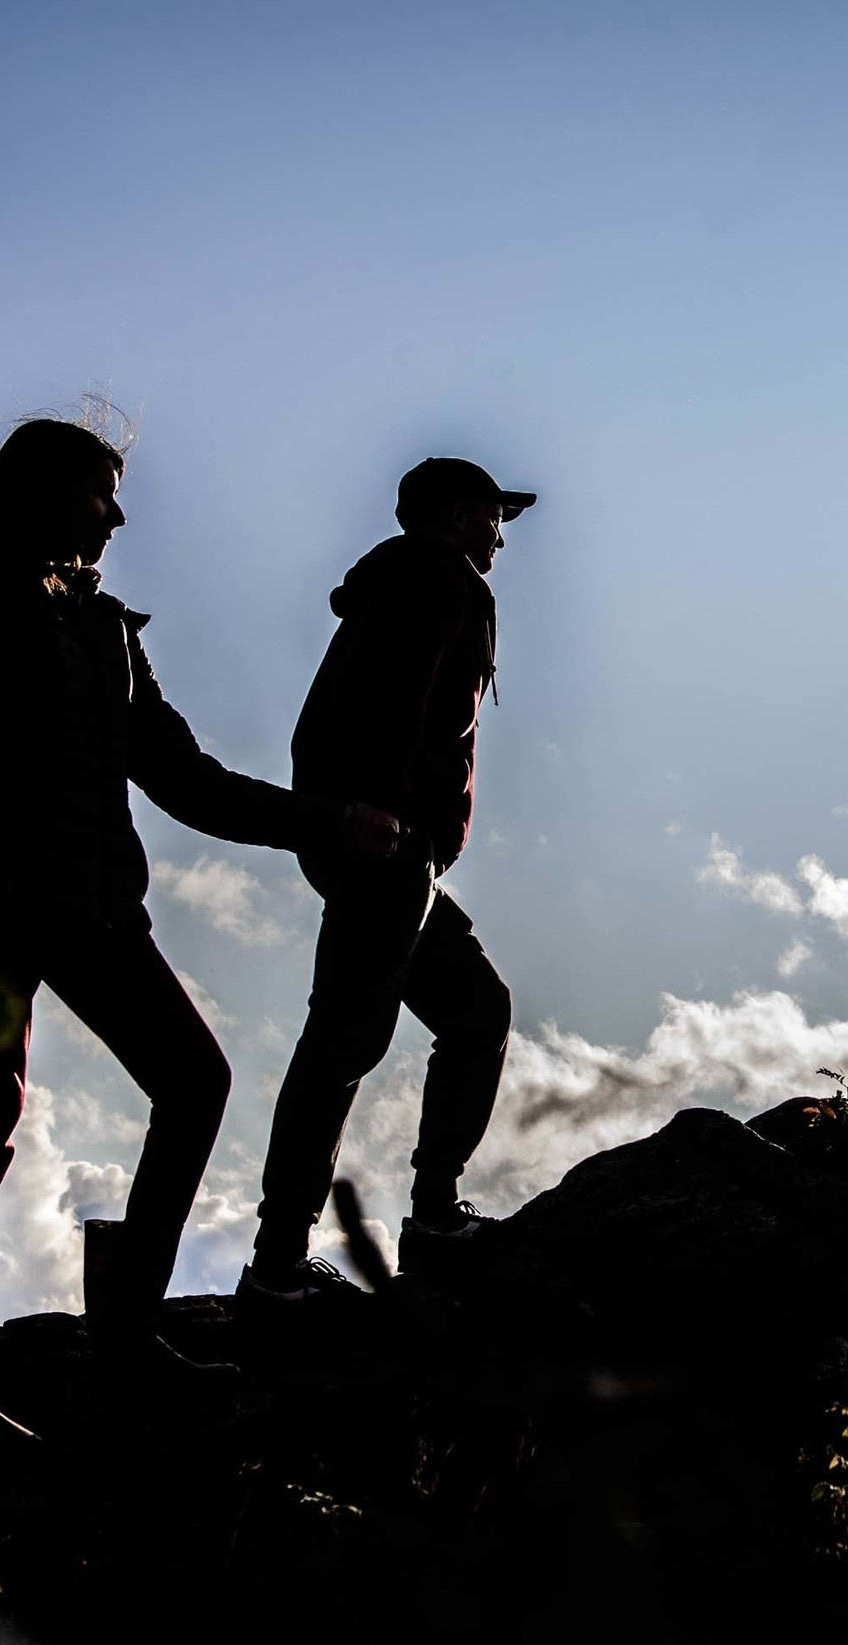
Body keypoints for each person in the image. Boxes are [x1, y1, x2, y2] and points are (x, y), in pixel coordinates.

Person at [0, 416, 398, 1443]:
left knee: (194, 1080)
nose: (116, 514)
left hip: (92, 910)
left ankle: (122, 1339)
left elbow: (187, 782)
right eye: (97, 492)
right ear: (39, 492)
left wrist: (327, 821)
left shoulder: (107, 630)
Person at [239, 458, 532, 1308]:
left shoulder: (412, 582)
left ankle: (428, 1216)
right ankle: (278, 1264)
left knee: (475, 1011)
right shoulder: (432, 583)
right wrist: (379, 815)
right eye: (488, 513)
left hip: (392, 846)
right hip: (386, 845)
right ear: (448, 514)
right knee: (341, 1044)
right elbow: (388, 705)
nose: (499, 533)